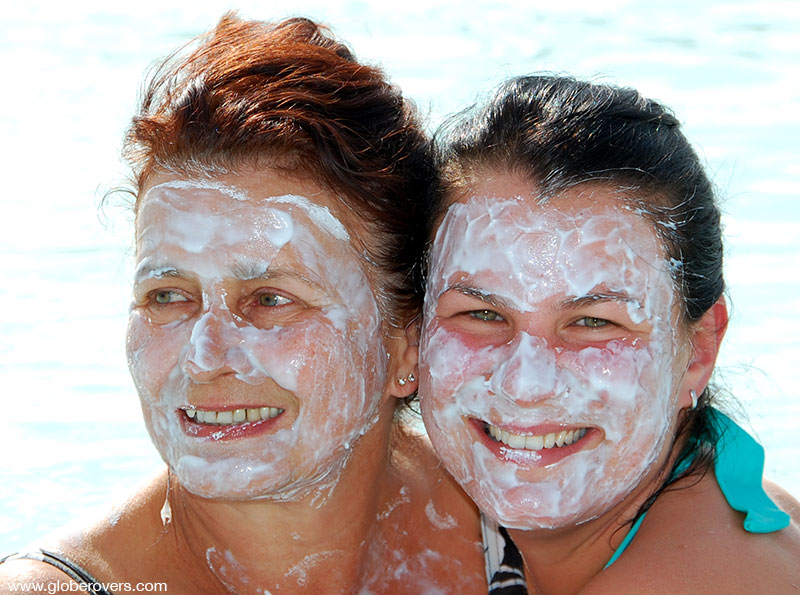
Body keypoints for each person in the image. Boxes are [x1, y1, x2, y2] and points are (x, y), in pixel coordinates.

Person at [0, 14, 485, 593]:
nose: (204, 358)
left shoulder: (531, 519)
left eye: (269, 300)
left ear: (407, 344)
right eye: (168, 297)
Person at [417, 75, 800, 593]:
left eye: (594, 322)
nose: (525, 384)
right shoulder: (726, 506)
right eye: (482, 314)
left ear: (699, 349)